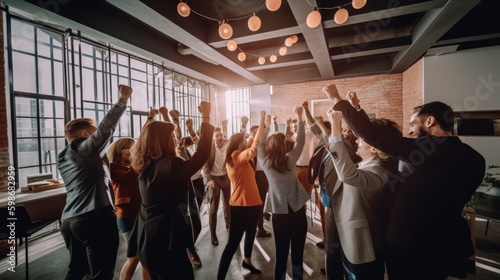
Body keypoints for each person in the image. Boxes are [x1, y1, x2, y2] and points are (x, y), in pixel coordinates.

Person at [323, 83, 486, 280]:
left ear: (430, 121)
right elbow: (376, 141)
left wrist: (337, 101)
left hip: (408, 244)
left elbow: (375, 137)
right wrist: (357, 109)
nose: (409, 132)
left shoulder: (424, 150)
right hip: (445, 242)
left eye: (412, 124)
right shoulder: (475, 159)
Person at [128, 101, 214, 279]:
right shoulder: (171, 165)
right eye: (172, 136)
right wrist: (205, 116)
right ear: (163, 140)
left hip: (146, 241)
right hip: (166, 244)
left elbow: (146, 136)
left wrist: (152, 119)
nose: (176, 138)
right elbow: (202, 155)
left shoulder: (145, 164)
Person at [57, 84, 132, 279]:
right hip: (94, 218)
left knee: (76, 270)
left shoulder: (62, 156)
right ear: (85, 135)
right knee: (102, 273)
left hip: (69, 221)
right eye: (93, 131)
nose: (98, 138)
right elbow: (106, 128)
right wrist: (123, 100)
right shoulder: (83, 148)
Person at [326, 108, 401, 279]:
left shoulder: (380, 174)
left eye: (363, 139)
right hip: (347, 241)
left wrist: (336, 127)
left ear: (375, 149)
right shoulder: (365, 165)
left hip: (361, 247)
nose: (358, 140)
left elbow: (347, 175)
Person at [257, 105, 311, 280]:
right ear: (284, 146)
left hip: (279, 216)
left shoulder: (265, 163)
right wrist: (300, 117)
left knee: (280, 256)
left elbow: (259, 144)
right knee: (297, 257)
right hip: (297, 212)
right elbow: (301, 142)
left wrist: (265, 125)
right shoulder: (290, 159)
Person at [216, 111, 266, 280]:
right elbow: (252, 149)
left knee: (251, 234)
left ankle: (247, 260)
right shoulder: (235, 156)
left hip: (253, 203)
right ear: (238, 144)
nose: (246, 141)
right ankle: (220, 277)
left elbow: (252, 140)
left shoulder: (241, 155)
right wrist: (261, 120)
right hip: (240, 206)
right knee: (232, 244)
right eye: (243, 140)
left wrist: (260, 127)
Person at [107, 137, 150, 280]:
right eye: (131, 148)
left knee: (145, 255)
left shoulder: (131, 167)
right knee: (134, 257)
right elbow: (131, 175)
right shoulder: (112, 168)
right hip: (127, 217)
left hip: (140, 214)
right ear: (120, 150)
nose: (134, 150)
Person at [169, 108, 204, 267]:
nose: (181, 143)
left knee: (196, 222)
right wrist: (175, 121)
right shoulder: (180, 151)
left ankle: (189, 245)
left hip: (197, 185)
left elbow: (198, 142)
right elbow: (177, 136)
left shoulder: (189, 150)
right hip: (186, 188)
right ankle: (189, 248)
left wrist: (190, 129)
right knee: (188, 221)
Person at [202, 126, 231, 246]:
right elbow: (205, 165)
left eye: (221, 135)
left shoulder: (227, 144)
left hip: (225, 177)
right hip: (214, 179)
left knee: (227, 203)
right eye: (217, 136)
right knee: (214, 208)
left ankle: (228, 223)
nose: (219, 137)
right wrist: (208, 179)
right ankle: (213, 235)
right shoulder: (209, 148)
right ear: (214, 138)